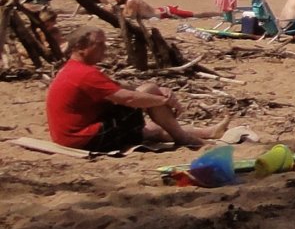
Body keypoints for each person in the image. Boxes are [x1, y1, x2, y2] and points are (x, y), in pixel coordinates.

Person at [45, 27, 211, 151]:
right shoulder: (85, 73)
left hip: (70, 136)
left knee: (150, 97)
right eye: (100, 44)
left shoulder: (74, 69)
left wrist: (159, 91)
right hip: (83, 139)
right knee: (148, 96)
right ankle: (184, 138)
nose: (105, 48)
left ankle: (204, 132)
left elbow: (123, 88)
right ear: (81, 47)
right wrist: (164, 100)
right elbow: (128, 98)